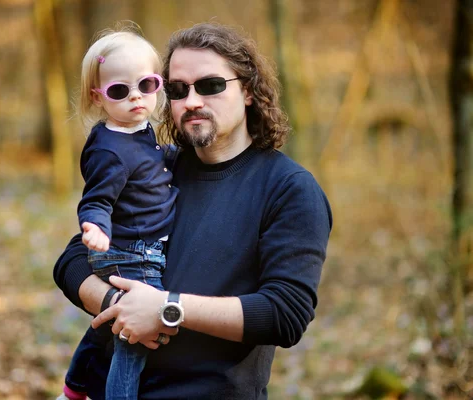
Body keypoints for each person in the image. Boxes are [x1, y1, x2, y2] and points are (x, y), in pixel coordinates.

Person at [54, 22, 333, 400]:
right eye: (178, 89)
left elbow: (285, 314)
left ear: (248, 90)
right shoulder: (159, 168)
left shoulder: (289, 189)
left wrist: (168, 309)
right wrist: (118, 305)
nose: (192, 101)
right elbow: (73, 258)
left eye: (211, 85)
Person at [58, 25, 179, 400]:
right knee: (135, 340)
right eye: (119, 91)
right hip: (133, 254)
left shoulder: (137, 128)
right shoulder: (109, 151)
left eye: (147, 85)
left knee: (106, 324)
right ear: (98, 98)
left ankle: (75, 388)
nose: (136, 97)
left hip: (133, 249)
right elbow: (97, 198)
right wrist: (94, 226)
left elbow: (153, 161)